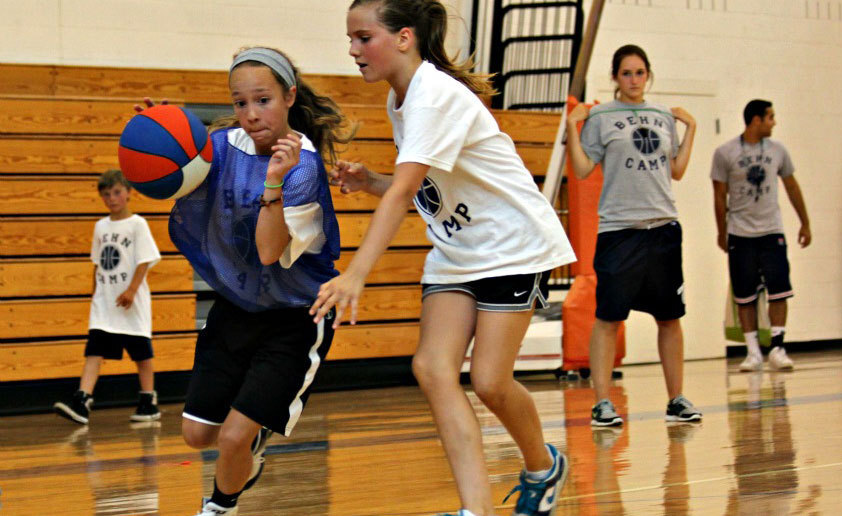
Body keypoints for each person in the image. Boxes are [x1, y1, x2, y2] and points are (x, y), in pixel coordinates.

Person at [311, 2, 576, 515]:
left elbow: (406, 189)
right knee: (432, 368)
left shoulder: (433, 97)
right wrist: (372, 183)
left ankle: (544, 466)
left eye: (363, 38)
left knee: (490, 382)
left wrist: (356, 276)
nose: (353, 50)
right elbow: (423, 189)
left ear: (404, 37)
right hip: (460, 250)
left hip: (511, 247)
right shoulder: (401, 98)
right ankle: (476, 510)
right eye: (351, 39)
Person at [141, 46, 351, 516]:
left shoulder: (303, 168)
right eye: (240, 103)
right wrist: (159, 136)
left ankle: (220, 505)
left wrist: (273, 181)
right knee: (198, 435)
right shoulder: (222, 146)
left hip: (295, 319)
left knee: (234, 437)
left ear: (289, 96)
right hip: (236, 309)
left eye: (263, 101)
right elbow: (177, 165)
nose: (250, 114)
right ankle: (245, 452)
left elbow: (268, 252)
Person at [564, 44, 701, 427]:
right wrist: (573, 127)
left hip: (663, 230)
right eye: (627, 73)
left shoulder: (662, 116)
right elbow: (580, 169)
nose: (634, 80)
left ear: (648, 75)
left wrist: (693, 129)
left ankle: (676, 399)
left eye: (640, 73)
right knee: (608, 318)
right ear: (615, 78)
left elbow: (677, 171)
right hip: (619, 232)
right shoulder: (601, 117)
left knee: (670, 318)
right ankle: (602, 403)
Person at [53, 169, 161, 425]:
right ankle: (82, 401)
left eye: (116, 192)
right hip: (105, 304)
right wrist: (95, 295)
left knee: (141, 354)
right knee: (94, 351)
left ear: (128, 193)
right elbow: (97, 263)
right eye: (106, 194)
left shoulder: (138, 224)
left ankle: (148, 401)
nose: (111, 198)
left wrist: (132, 290)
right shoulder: (100, 226)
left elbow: (145, 260)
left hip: (131, 303)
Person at [711, 99, 811, 372]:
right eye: (770, 117)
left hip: (771, 231)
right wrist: (722, 232)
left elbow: (791, 186)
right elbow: (719, 196)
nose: (774, 122)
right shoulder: (725, 152)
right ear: (756, 120)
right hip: (740, 233)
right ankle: (753, 351)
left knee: (779, 290)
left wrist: (805, 223)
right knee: (745, 295)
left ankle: (777, 347)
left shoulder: (778, 151)